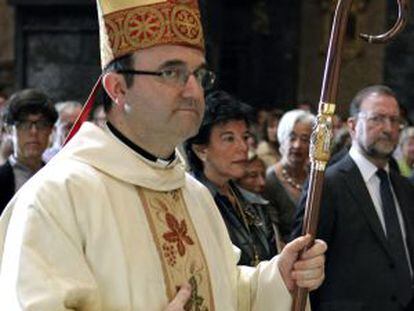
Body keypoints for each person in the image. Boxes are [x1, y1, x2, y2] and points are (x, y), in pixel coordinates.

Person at [0, 0, 326, 309]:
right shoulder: (56, 197)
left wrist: (277, 279)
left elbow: (225, 291)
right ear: (117, 88)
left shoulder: (195, 196)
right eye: (171, 72)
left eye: (198, 75)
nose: (193, 90)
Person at [293, 85, 414, 311]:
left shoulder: (404, 187)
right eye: (377, 119)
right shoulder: (327, 184)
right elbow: (302, 262)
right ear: (353, 125)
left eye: (395, 120)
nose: (388, 128)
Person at [185, 91, 279, 265]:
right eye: (229, 139)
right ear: (201, 150)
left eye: (245, 137)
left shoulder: (254, 204)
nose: (242, 147)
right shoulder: (188, 203)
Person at [0, 89, 57, 214]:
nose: (33, 132)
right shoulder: (2, 179)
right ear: (9, 130)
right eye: (24, 124)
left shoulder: (57, 178)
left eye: (42, 124)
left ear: (50, 131)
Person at [264, 109, 314, 242]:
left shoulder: (315, 177)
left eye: (304, 139)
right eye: (292, 138)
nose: (297, 145)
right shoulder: (270, 179)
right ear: (282, 138)